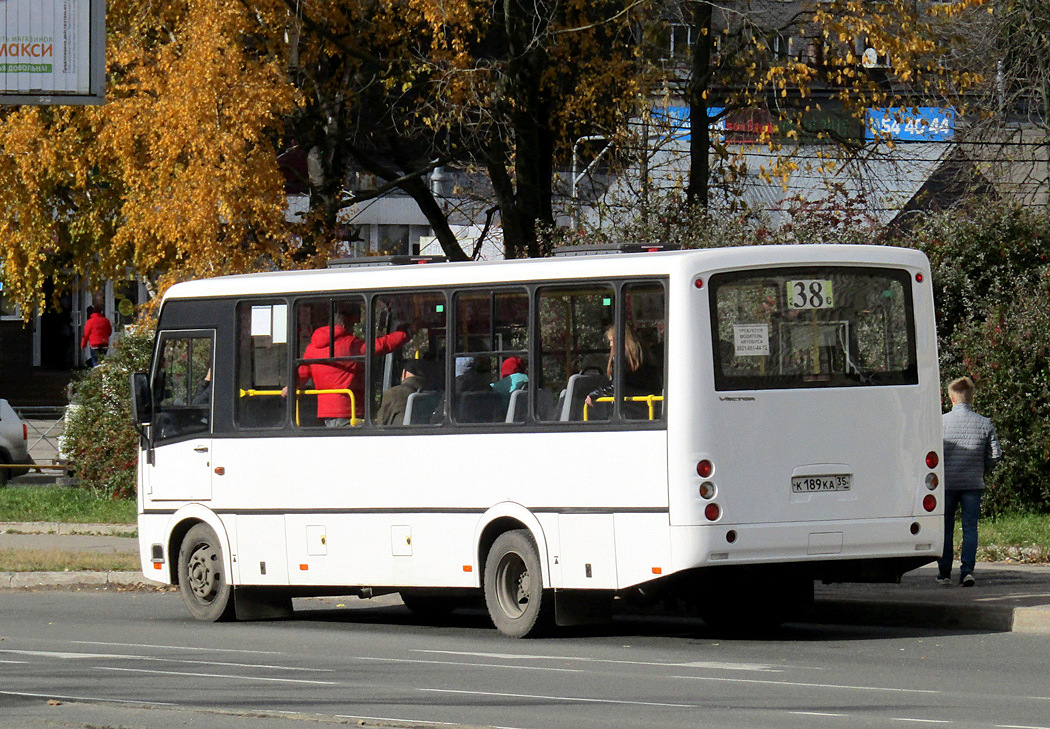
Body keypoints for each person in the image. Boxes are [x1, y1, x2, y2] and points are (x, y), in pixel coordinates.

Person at [937, 376, 1002, 587]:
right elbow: (995, 454)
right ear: (971, 398)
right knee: (970, 528)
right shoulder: (984, 423)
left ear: (951, 398)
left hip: (947, 484)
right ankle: (967, 571)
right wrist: (982, 468)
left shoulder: (941, 423)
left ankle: (944, 572)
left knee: (945, 528)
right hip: (973, 484)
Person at [296, 308, 411, 426]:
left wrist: (290, 387)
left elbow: (302, 373)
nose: (353, 329)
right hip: (348, 410)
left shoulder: (312, 348)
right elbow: (381, 345)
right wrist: (406, 333)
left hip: (325, 413)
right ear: (344, 325)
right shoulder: (350, 344)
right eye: (352, 325)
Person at [585, 324, 662, 419]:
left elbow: (616, 386)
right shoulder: (647, 357)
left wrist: (594, 395)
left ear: (619, 340)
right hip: (650, 409)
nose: (611, 345)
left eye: (612, 341)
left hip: (626, 412)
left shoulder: (619, 358)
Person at [376, 359, 433, 425]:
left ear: (404, 372)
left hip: (397, 434)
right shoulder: (431, 393)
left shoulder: (393, 393)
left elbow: (381, 424)